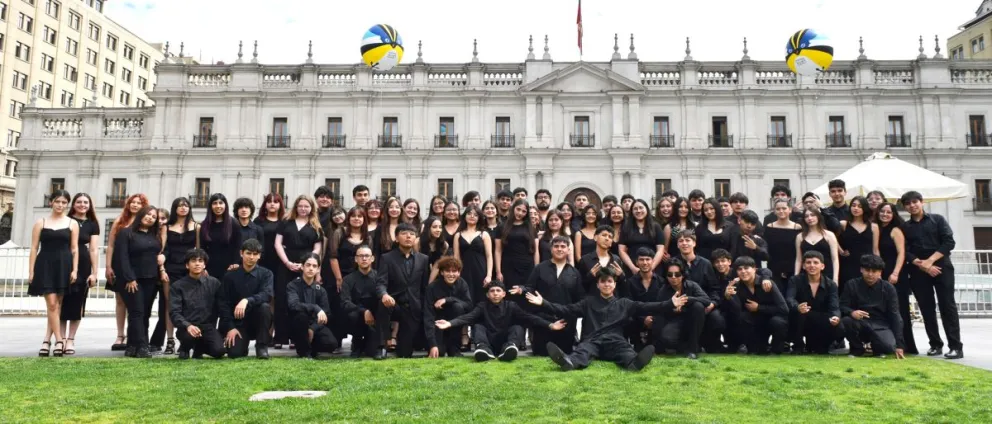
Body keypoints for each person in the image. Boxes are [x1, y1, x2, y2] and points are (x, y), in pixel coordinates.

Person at [525, 268, 662, 372]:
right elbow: (566, 309)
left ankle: (634, 362)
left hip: (615, 342)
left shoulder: (624, 303)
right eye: (603, 281)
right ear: (597, 285)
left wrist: (670, 303)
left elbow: (648, 306)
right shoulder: (588, 302)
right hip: (592, 341)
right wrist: (543, 303)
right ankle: (568, 362)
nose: (606, 284)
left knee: (625, 350)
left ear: (615, 284)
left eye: (609, 281)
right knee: (582, 351)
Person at [901, 191, 963, 359]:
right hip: (918, 270)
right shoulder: (905, 227)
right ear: (905, 207)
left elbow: (949, 242)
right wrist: (923, 265)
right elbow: (905, 250)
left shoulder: (938, 219)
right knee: (926, 308)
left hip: (942, 267)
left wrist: (930, 261)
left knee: (947, 306)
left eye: (915, 202)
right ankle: (935, 344)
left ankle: (956, 346)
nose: (912, 205)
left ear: (922, 202)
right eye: (908, 203)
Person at [436, 282, 565, 362]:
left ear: (504, 294)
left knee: (518, 327)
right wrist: (449, 323)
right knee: (478, 326)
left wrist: (550, 325)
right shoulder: (482, 306)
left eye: (498, 291)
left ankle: (509, 350)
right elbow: (467, 317)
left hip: (505, 341)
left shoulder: (511, 306)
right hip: (488, 342)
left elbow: (529, 317)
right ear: (488, 295)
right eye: (492, 291)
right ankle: (483, 351)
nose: (495, 294)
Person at [511, 236, 584, 356]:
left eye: (563, 246)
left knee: (564, 353)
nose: (559, 249)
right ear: (551, 249)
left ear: (568, 250)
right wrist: (522, 290)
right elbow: (530, 287)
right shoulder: (540, 268)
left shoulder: (575, 273)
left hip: (565, 323)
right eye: (556, 246)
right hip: (543, 321)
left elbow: (579, 299)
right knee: (541, 353)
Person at [28, 190, 79, 357]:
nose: (60, 205)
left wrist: (75, 270)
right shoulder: (40, 222)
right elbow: (34, 248)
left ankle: (46, 340)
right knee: (51, 304)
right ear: (51, 202)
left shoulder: (72, 223)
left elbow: (74, 249)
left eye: (64, 202)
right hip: (45, 265)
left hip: (64, 265)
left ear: (67, 205)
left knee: (57, 305)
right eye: (57, 201)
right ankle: (59, 340)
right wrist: (31, 271)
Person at [374, 223, 431, 359]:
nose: (408, 236)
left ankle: (401, 342)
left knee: (405, 353)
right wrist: (384, 294)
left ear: (416, 238)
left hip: (413, 307)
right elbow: (381, 282)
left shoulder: (423, 259)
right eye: (404, 233)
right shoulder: (387, 258)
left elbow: (424, 287)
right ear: (396, 238)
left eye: (412, 234)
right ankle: (381, 347)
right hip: (394, 304)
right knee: (383, 304)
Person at [116, 206, 165, 358]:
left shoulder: (154, 235)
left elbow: (159, 253)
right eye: (148, 214)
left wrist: (162, 258)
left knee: (144, 313)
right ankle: (142, 346)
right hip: (132, 280)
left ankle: (132, 346)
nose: (150, 218)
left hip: (151, 279)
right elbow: (122, 257)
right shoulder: (126, 233)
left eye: (154, 217)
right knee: (137, 311)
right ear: (141, 215)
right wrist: (130, 278)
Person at [840, 254, 906, 359]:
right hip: (859, 322)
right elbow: (842, 305)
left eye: (874, 271)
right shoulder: (851, 284)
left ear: (880, 272)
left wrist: (899, 345)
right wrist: (852, 312)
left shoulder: (888, 288)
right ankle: (857, 348)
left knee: (889, 347)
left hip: (881, 324)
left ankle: (877, 349)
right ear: (861, 270)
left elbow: (895, 315)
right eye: (867, 270)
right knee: (846, 321)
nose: (870, 274)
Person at [220, 239, 273, 359]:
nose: (251, 257)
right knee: (235, 354)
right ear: (241, 253)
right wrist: (231, 327)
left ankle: (262, 346)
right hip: (238, 322)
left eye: (255, 254)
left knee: (265, 307)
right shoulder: (230, 276)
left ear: (259, 255)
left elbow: (267, 295)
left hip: (258, 321)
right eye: (248, 253)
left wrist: (247, 300)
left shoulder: (266, 274)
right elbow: (223, 303)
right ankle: (242, 345)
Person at [169, 248, 226, 360]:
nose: (197, 264)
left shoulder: (214, 283)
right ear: (187, 265)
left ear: (204, 265)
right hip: (187, 328)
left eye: (200, 261)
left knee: (219, 351)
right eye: (193, 261)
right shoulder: (177, 286)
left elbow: (222, 307)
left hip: (207, 327)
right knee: (188, 337)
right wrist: (188, 325)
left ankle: (199, 348)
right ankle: (185, 348)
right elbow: (174, 312)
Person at [60, 193, 99, 356]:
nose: (82, 205)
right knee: (61, 301)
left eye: (86, 202)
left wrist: (95, 272)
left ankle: (71, 339)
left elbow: (93, 249)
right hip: (63, 262)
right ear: (73, 204)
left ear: (89, 205)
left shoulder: (92, 224)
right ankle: (61, 339)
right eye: (79, 202)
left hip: (83, 264)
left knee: (78, 302)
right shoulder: (66, 220)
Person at [724, 256, 788, 355]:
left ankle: (777, 349)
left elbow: (784, 309)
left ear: (754, 269)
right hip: (755, 322)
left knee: (778, 322)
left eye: (746, 268)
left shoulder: (767, 283)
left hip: (772, 318)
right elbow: (737, 311)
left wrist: (759, 308)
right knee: (742, 317)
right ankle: (752, 345)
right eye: (740, 269)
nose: (743, 271)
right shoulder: (736, 285)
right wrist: (729, 297)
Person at [786, 251, 843, 354]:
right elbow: (790, 299)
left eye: (816, 262)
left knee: (839, 326)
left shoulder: (831, 285)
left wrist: (835, 317)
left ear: (822, 266)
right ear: (803, 266)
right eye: (808, 262)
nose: (812, 265)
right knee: (797, 314)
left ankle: (825, 345)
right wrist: (797, 307)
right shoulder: (794, 280)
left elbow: (834, 306)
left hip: (820, 318)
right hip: (801, 318)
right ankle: (798, 346)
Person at [653, 258, 710, 359]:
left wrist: (687, 299)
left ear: (683, 275)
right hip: (675, 321)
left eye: (677, 274)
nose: (673, 277)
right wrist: (672, 309)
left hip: (693, 320)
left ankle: (693, 349)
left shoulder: (692, 285)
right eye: (670, 274)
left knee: (698, 306)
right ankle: (684, 347)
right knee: (667, 338)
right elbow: (659, 310)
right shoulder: (663, 291)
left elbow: (706, 300)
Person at [287, 253, 338, 359]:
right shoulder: (292, 285)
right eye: (308, 265)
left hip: (315, 326)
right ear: (302, 266)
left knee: (331, 344)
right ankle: (304, 351)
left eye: (314, 266)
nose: (311, 268)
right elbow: (294, 305)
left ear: (318, 269)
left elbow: (326, 313)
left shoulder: (321, 290)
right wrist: (315, 307)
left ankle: (310, 348)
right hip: (297, 325)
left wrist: (312, 329)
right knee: (301, 316)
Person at [423, 257, 473, 358]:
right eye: (447, 271)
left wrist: (448, 299)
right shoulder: (432, 288)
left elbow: (469, 305)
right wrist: (433, 344)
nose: (451, 274)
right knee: (439, 353)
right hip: (437, 324)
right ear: (442, 272)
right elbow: (428, 316)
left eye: (454, 271)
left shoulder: (462, 284)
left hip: (454, 325)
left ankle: (454, 349)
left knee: (458, 307)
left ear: (459, 273)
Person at [340, 245, 382, 358]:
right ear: (356, 259)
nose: (364, 259)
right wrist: (364, 311)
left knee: (371, 351)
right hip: (356, 317)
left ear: (372, 258)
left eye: (367, 256)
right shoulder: (348, 279)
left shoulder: (379, 277)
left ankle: (373, 343)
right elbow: (345, 302)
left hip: (375, 319)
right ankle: (357, 343)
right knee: (352, 315)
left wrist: (370, 313)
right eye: (361, 256)